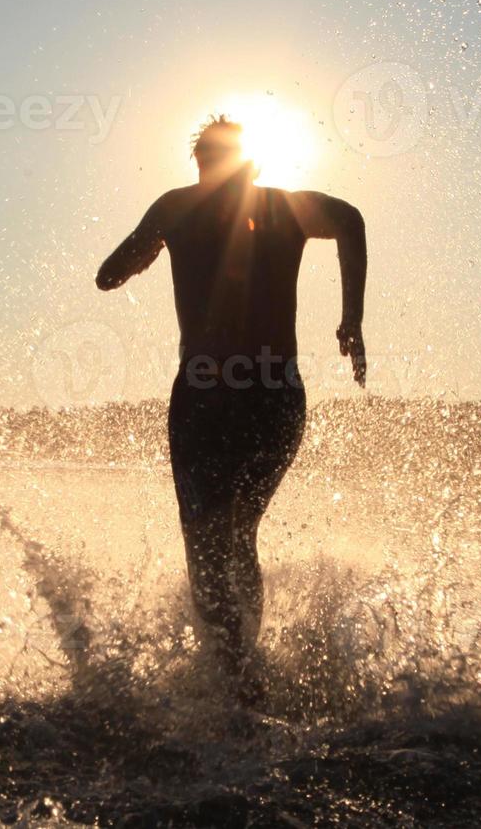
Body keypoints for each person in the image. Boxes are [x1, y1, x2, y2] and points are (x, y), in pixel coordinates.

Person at [95, 115, 367, 703]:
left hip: (206, 394)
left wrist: (154, 244)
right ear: (250, 163)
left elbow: (107, 277)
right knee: (238, 532)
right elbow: (349, 219)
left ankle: (236, 674)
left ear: (199, 163)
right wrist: (352, 317)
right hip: (274, 392)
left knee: (207, 537)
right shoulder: (283, 207)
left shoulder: (175, 207)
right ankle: (244, 673)